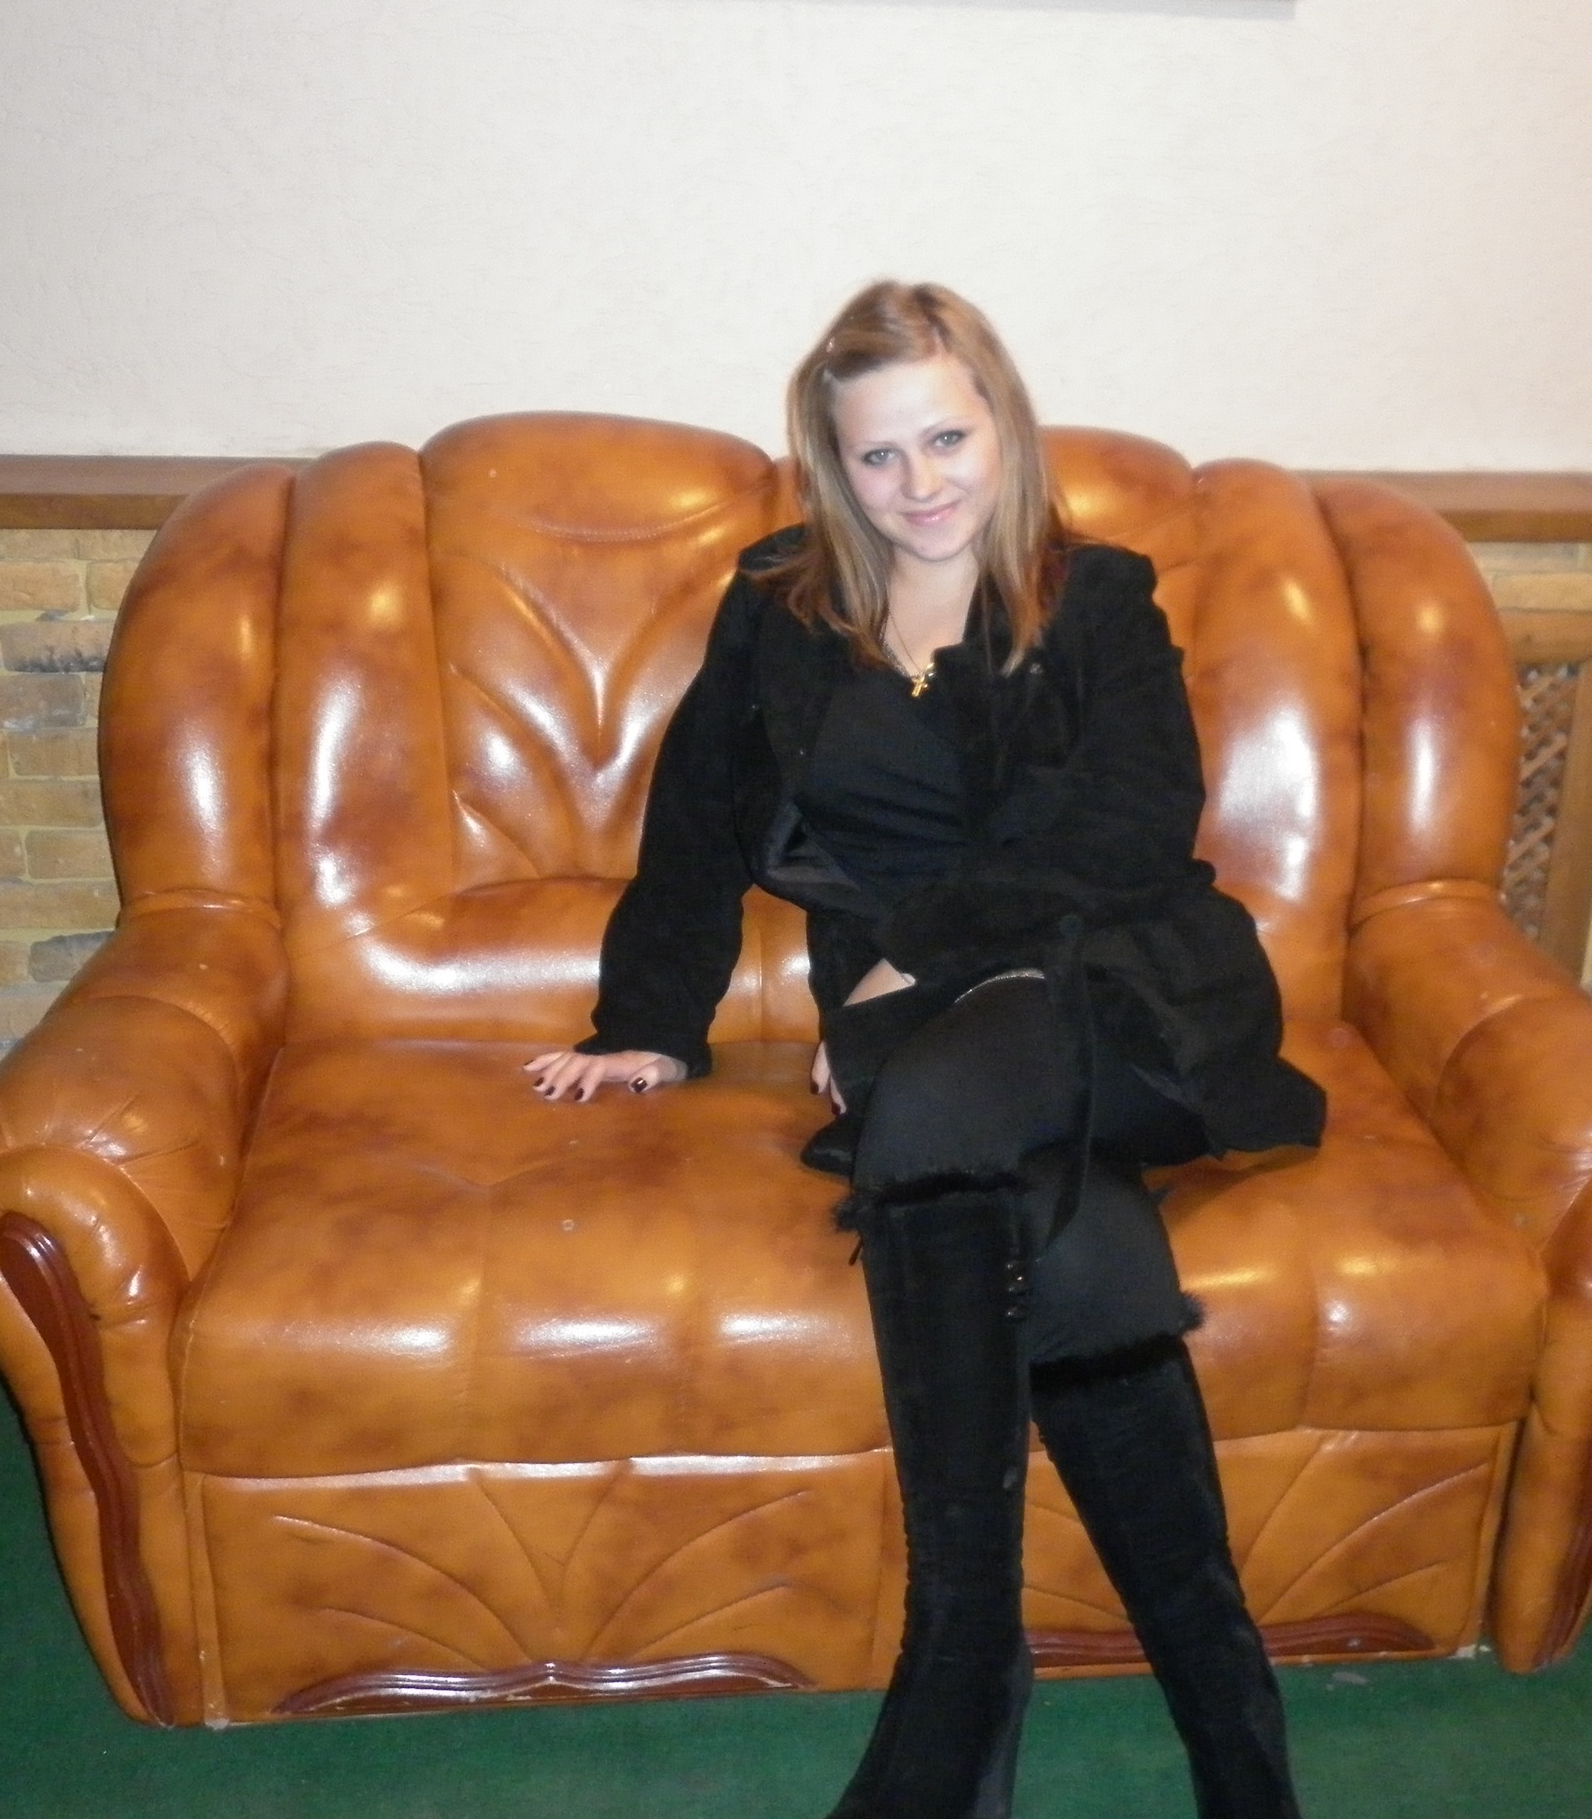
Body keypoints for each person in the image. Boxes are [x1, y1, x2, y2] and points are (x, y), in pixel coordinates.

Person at [524, 282, 1323, 1819]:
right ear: (834, 466)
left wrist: (919, 955)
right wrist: (650, 1027)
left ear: (1002, 423)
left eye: (947, 438)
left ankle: (958, 1670)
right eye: (878, 454)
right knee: (1063, 1233)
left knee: (940, 1104)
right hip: (935, 1038)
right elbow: (697, 815)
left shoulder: (1097, 599)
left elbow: (1135, 829)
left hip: (1122, 989)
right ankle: (1235, 1743)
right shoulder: (783, 605)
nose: (920, 483)